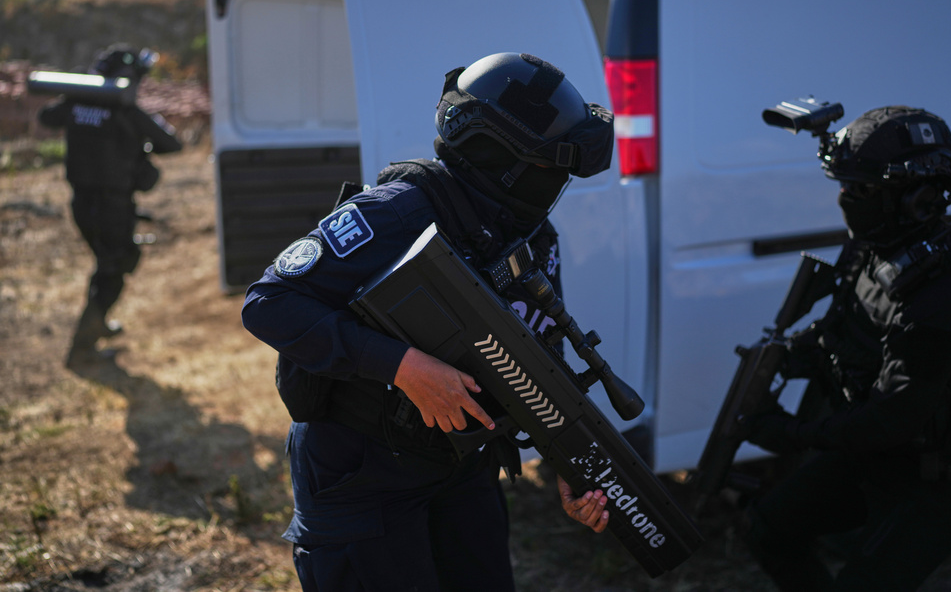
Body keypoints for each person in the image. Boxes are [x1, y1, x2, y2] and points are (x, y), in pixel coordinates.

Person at [241, 52, 615, 591]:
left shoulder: (530, 236)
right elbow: (269, 302)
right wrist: (402, 366)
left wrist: (567, 463)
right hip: (361, 476)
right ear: (496, 156)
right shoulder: (397, 212)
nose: (556, 182)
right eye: (547, 166)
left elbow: (540, 353)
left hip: (462, 469)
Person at [740, 106, 951, 591]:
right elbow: (844, 332)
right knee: (767, 529)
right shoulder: (873, 250)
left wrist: (792, 432)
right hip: (875, 454)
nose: (846, 199)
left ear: (918, 199)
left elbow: (893, 416)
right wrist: (788, 359)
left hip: (940, 478)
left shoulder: (948, 295)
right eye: (845, 186)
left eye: (861, 189)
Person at [38, 44, 182, 360]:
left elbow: (46, 116)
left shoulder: (76, 105)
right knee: (116, 265)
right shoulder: (127, 113)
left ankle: (96, 324)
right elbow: (171, 144)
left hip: (82, 204)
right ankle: (82, 347)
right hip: (112, 207)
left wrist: (79, 101)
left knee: (107, 264)